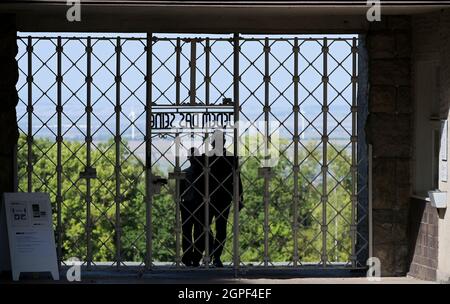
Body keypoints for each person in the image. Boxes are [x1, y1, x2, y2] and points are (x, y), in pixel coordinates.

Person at [207, 130, 243, 267]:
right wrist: (239, 197)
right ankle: (216, 255)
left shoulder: (207, 157)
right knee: (221, 228)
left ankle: (212, 252)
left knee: (206, 226)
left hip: (209, 196)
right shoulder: (231, 158)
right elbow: (237, 179)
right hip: (224, 197)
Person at [179, 147, 204, 267]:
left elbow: (180, 192)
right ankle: (196, 257)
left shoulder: (185, 173)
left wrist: (180, 204)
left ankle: (188, 257)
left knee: (187, 232)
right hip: (199, 205)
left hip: (187, 205)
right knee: (198, 232)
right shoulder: (204, 173)